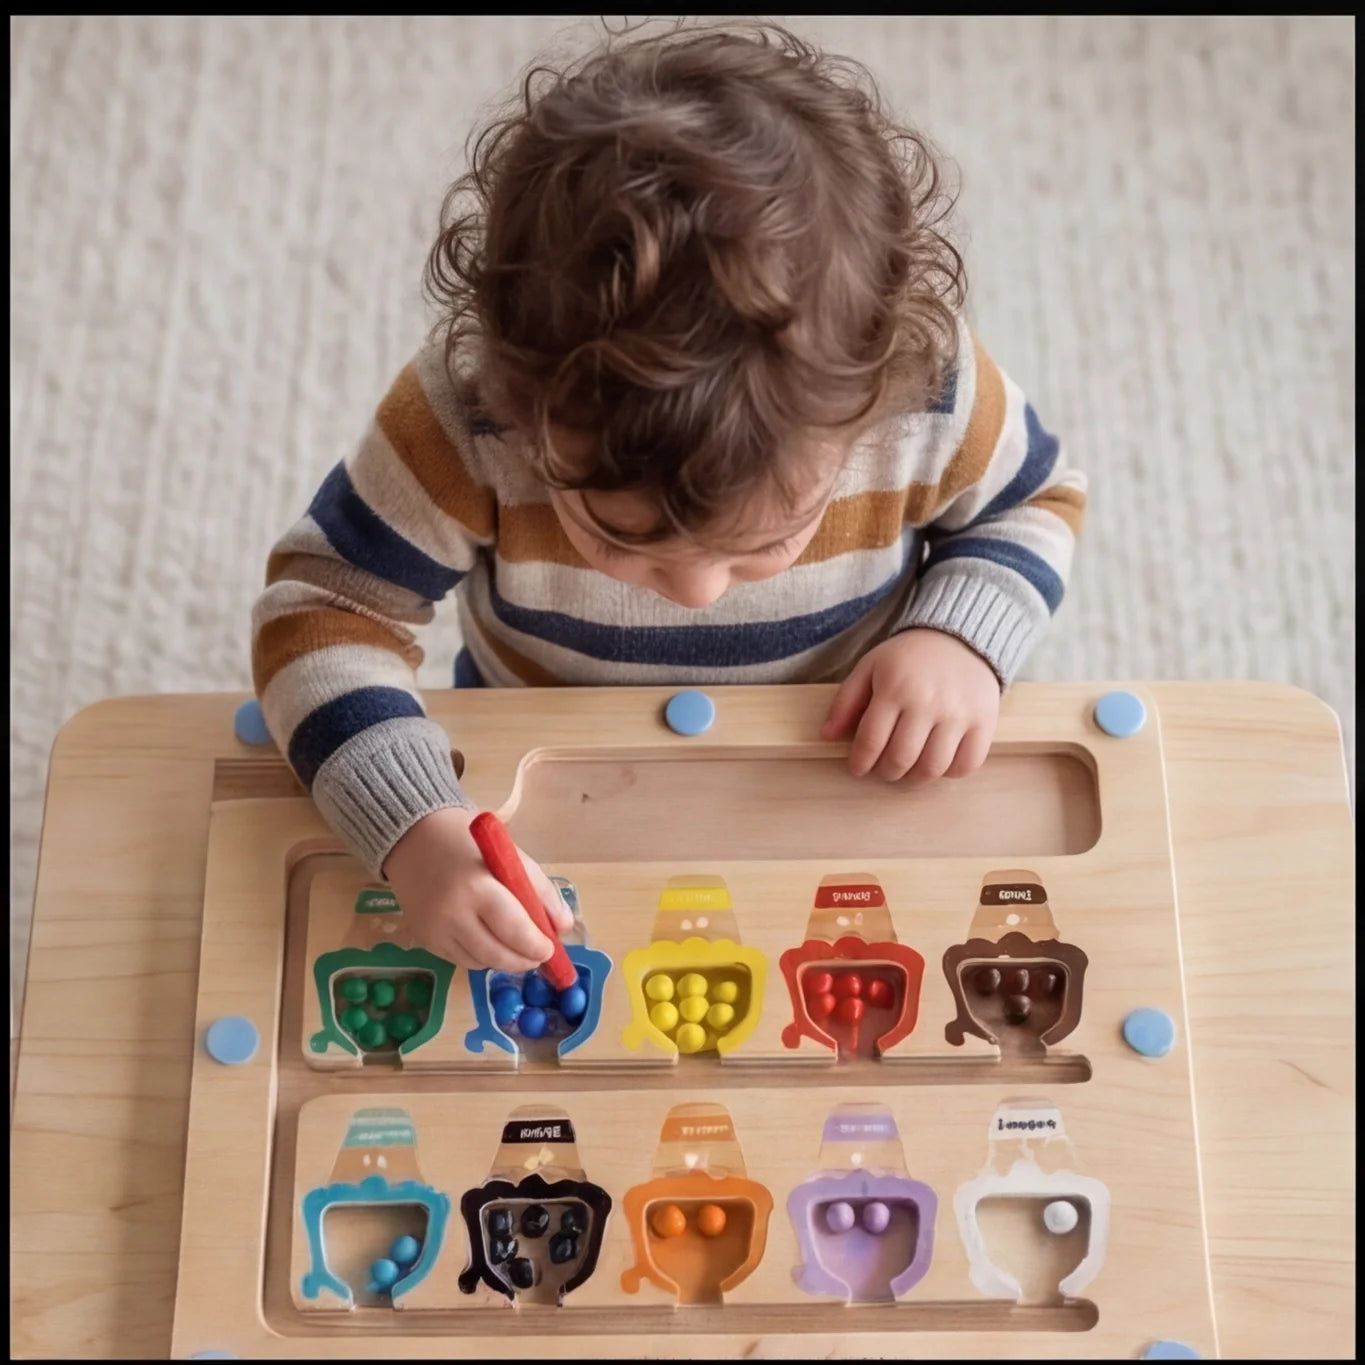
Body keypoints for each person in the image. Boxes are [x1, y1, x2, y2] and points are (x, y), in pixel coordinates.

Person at [251, 21, 1086, 974]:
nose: (694, 592)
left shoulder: (916, 394)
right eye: (617, 542)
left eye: (766, 544)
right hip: (551, 804)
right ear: (521, 408)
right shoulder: (471, 418)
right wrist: (409, 827)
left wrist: (958, 637)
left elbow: (1034, 500)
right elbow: (323, 608)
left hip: (839, 775)